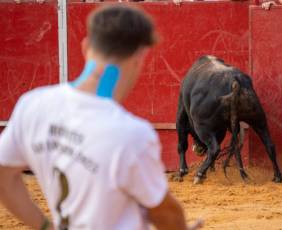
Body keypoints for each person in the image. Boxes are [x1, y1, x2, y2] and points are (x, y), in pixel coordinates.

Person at [0, 4, 202, 230]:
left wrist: (45, 226)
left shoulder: (32, 105)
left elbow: (3, 176)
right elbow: (166, 214)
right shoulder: (133, 134)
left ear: (86, 47)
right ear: (138, 58)